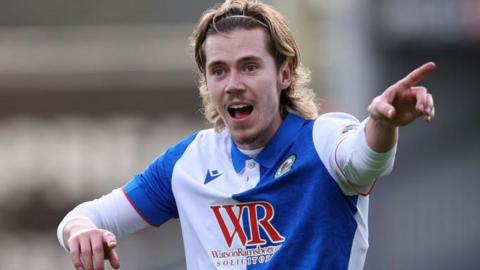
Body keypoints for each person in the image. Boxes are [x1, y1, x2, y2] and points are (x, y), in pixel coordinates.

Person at [57, 0, 436, 269]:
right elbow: (88, 216)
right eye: (219, 71)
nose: (233, 84)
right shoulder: (189, 162)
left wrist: (384, 122)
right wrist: (81, 230)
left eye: (250, 66)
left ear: (285, 73)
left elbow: (363, 157)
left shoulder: (323, 140)